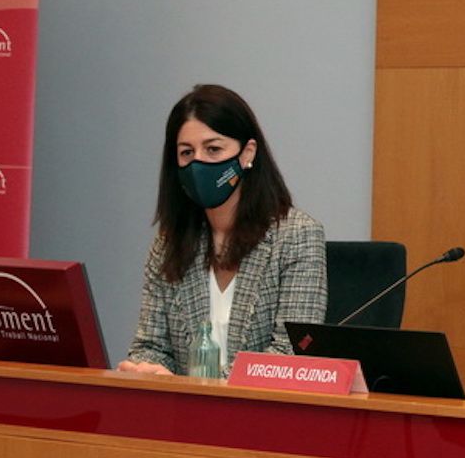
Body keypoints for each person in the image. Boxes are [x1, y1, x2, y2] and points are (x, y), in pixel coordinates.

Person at [118, 84, 327, 376]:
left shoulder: (297, 236)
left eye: (213, 149)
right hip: (181, 415)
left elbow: (291, 355)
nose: (198, 162)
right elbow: (150, 345)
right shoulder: (169, 241)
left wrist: (199, 388)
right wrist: (148, 369)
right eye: (186, 152)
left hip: (263, 415)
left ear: (247, 153)